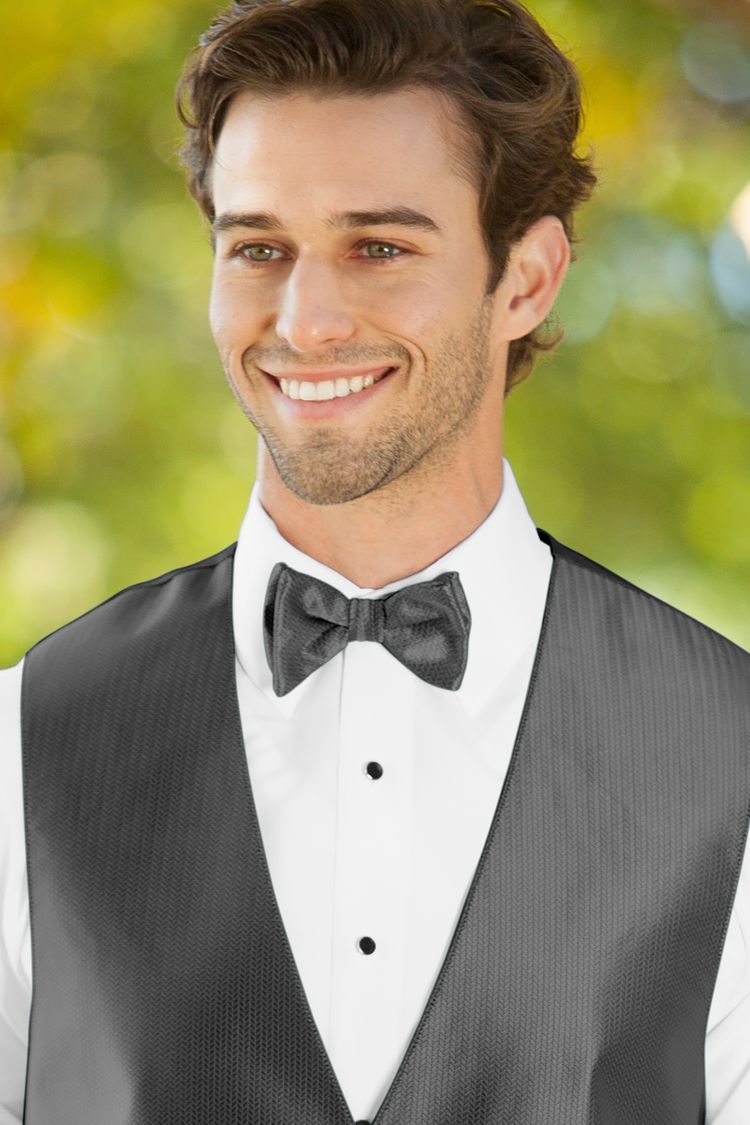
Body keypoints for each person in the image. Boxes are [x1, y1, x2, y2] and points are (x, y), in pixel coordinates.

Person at [1, 0, 749, 1120]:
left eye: (379, 246)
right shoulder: (23, 743)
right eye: (259, 248)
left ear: (529, 279)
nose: (304, 321)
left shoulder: (730, 752)